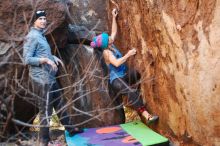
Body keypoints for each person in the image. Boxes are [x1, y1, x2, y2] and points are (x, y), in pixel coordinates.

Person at [23, 10, 82, 146]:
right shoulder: (31, 36)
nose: (43, 21)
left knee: (60, 104)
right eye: (40, 19)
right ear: (34, 21)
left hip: (50, 78)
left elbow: (42, 52)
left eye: (44, 18)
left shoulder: (40, 35)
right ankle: (44, 141)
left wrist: (53, 58)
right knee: (45, 111)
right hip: (41, 80)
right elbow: (27, 59)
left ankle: (71, 129)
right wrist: (44, 60)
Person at [90, 8, 159, 125]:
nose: (111, 38)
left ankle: (132, 98)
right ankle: (147, 116)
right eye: (109, 39)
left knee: (136, 74)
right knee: (131, 91)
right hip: (116, 80)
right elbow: (116, 63)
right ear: (107, 44)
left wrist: (113, 17)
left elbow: (114, 32)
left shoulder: (111, 45)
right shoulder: (107, 52)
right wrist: (128, 54)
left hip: (124, 75)